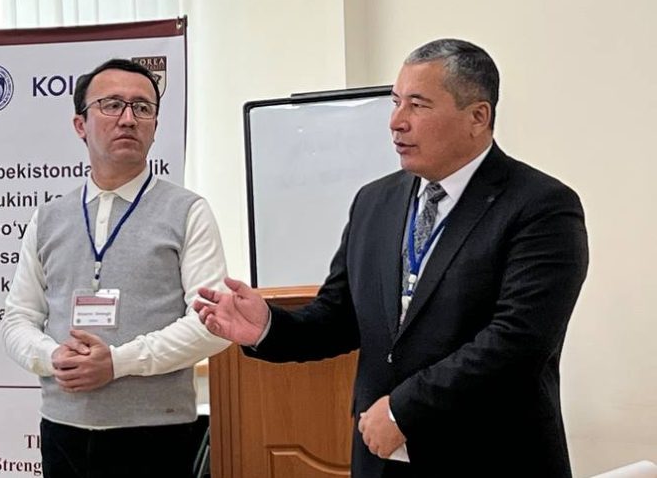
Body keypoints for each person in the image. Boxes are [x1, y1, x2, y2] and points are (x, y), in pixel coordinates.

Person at [194, 39, 589, 477]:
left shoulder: (541, 206)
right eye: (396, 102)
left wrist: (403, 410)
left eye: (417, 105)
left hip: (490, 456)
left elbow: (517, 343)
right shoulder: (374, 202)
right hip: (380, 459)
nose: (396, 122)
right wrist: (267, 327)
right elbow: (339, 317)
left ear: (478, 117)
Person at [0, 58, 231, 478]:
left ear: (155, 126)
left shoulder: (188, 212)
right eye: (111, 105)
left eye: (142, 108)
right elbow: (18, 318)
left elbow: (211, 324)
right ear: (80, 124)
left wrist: (118, 362)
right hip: (63, 432)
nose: (128, 118)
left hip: (156, 435)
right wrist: (54, 357)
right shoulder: (48, 218)